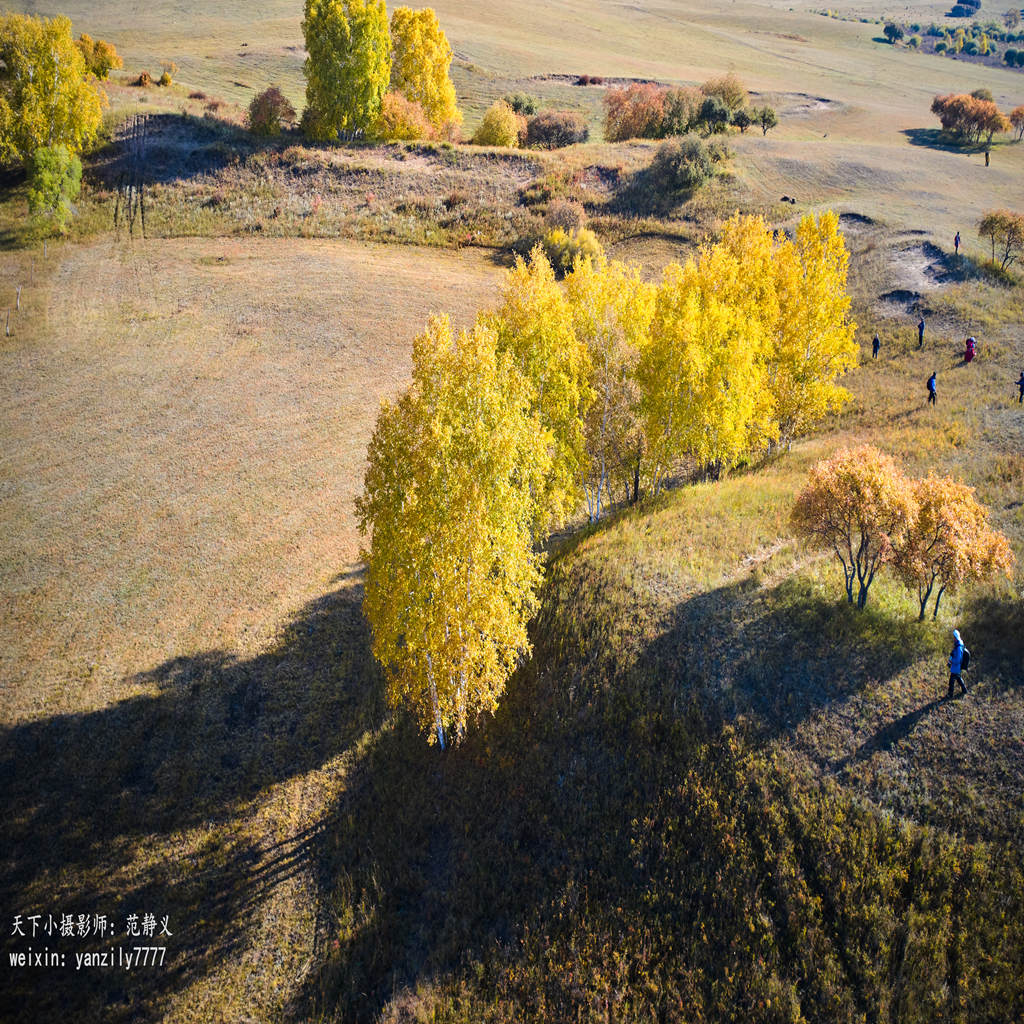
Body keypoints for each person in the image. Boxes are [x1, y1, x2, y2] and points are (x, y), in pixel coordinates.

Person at [947, 629, 967, 697]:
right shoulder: (958, 644)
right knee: (958, 678)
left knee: (951, 681)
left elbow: (958, 659)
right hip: (956, 667)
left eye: (954, 637)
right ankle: (964, 690)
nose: (953, 638)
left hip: (956, 667)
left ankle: (950, 694)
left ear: (956, 637)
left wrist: (952, 661)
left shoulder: (958, 647)